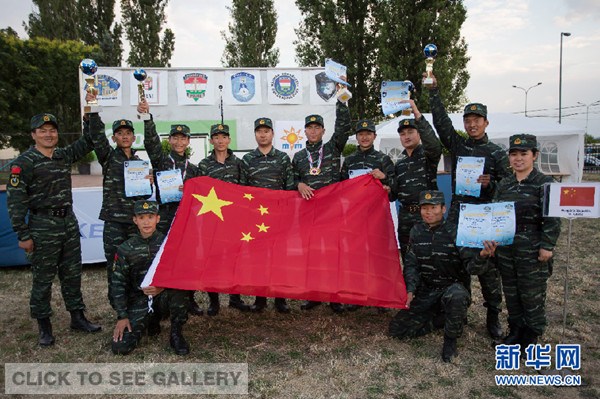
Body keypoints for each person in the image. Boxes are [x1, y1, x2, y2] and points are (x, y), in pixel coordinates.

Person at [6, 112, 101, 346]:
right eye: (43, 130)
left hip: (68, 223)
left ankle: (77, 318)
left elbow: (88, 142)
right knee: (43, 278)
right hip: (42, 226)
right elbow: (16, 202)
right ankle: (44, 325)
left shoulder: (62, 155)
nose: (48, 134)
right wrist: (23, 234)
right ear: (33, 134)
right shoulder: (23, 163)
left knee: (72, 273)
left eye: (52, 130)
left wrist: (90, 120)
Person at [428, 74, 509, 340]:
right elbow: (441, 124)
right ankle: (458, 311)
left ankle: (493, 315)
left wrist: (491, 184)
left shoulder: (496, 153)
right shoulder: (459, 145)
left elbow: (509, 188)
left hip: (485, 217)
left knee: (488, 270)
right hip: (459, 217)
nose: (472, 124)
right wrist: (434, 93)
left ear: (486, 122)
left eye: (477, 120)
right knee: (456, 267)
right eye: (468, 120)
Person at [388, 190, 496, 362]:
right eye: (425, 208)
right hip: (427, 291)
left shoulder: (457, 232)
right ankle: (443, 319)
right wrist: (410, 290)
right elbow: (411, 265)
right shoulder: (416, 231)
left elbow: (472, 268)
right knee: (397, 330)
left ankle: (450, 341)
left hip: (451, 289)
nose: (428, 212)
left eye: (433, 207)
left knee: (457, 295)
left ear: (443, 209)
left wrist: (482, 256)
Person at [87, 99, 161, 310]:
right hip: (115, 222)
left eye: (128, 133)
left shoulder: (140, 163)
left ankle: (140, 306)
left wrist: (149, 182)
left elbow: (143, 196)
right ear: (114, 138)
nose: (125, 136)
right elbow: (97, 138)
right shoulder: (109, 157)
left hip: (136, 222)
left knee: (138, 265)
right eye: (120, 133)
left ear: (133, 136)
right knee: (116, 266)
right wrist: (93, 112)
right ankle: (120, 310)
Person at [493, 134, 561, 351]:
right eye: (514, 154)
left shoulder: (545, 183)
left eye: (524, 154)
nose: (518, 158)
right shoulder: (504, 184)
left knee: (531, 292)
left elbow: (552, 217)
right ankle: (515, 330)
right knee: (511, 291)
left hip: (532, 246)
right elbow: (495, 213)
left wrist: (547, 245)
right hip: (506, 246)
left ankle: (532, 334)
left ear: (535, 156)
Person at [292, 97, 352, 313]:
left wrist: (342, 101)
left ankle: (335, 296)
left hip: (332, 213)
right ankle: (315, 294)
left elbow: (344, 128)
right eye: (310, 128)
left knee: (333, 254)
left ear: (323, 131)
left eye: (317, 127)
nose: (313, 131)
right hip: (309, 214)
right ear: (305, 132)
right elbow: (291, 181)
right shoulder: (298, 157)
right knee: (312, 255)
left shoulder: (333, 148)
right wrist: (298, 183)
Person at [141, 112, 203, 316]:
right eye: (175, 137)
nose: (179, 141)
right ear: (170, 140)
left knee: (186, 259)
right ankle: (160, 301)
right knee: (163, 257)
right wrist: (147, 119)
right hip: (165, 217)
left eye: (183, 137)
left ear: (188, 141)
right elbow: (151, 143)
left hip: (186, 220)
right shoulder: (161, 161)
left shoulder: (193, 168)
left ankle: (189, 298)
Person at [111, 200, 190, 356]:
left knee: (180, 291)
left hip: (164, 296)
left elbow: (181, 274)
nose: (146, 222)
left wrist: (162, 287)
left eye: (150, 217)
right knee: (120, 348)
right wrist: (122, 316)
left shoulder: (168, 244)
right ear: (135, 220)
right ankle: (150, 320)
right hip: (140, 299)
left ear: (158, 219)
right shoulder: (126, 249)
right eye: (141, 218)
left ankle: (176, 332)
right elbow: (117, 284)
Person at [240, 117, 295, 313]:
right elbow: (241, 190)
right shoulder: (247, 160)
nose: (262, 135)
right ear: (255, 134)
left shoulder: (282, 158)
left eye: (266, 131)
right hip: (256, 218)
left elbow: (289, 188)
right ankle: (260, 298)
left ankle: (280, 299)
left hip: (278, 216)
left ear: (272, 134)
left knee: (279, 258)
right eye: (259, 131)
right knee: (259, 259)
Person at [197, 123, 251, 315]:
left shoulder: (239, 163)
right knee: (212, 260)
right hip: (211, 221)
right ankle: (214, 301)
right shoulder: (203, 165)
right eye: (216, 137)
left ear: (229, 140)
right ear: (211, 140)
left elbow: (245, 190)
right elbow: (197, 191)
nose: (220, 141)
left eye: (224, 137)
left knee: (235, 260)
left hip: (234, 220)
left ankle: (235, 298)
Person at [390, 100, 442, 261]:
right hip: (406, 218)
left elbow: (433, 144)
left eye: (410, 132)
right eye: (402, 133)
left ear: (419, 133)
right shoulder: (399, 164)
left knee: (431, 258)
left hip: (428, 216)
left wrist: (417, 114)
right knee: (409, 258)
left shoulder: (428, 156)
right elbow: (393, 195)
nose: (406, 136)